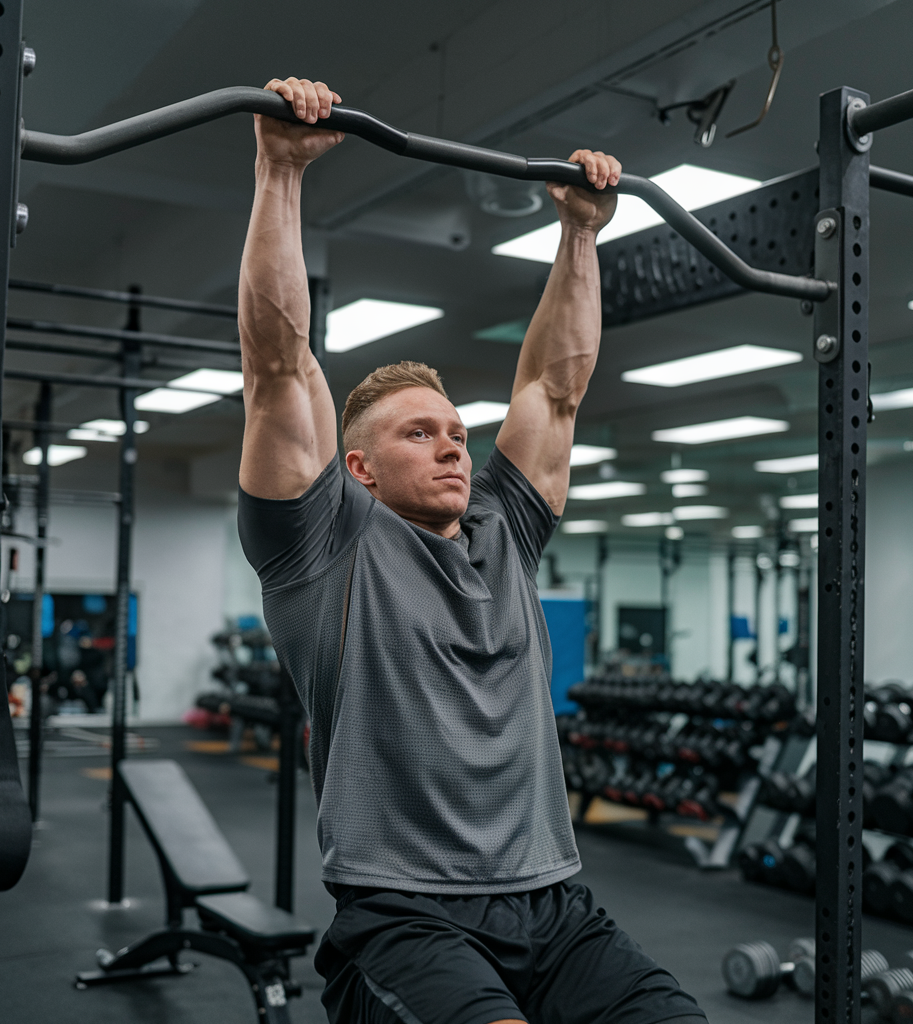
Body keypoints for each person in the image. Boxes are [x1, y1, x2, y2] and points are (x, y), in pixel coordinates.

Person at [237, 76, 707, 1024]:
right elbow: (278, 368)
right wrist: (280, 169)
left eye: (457, 430)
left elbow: (554, 390)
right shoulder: (324, 549)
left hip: (555, 906)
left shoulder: (505, 531)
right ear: (357, 468)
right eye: (420, 434)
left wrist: (580, 231)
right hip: (406, 917)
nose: (454, 443)